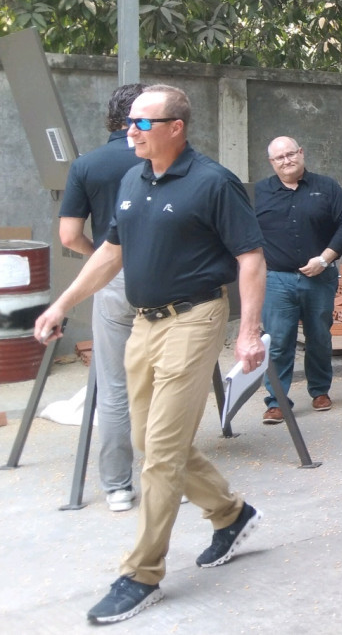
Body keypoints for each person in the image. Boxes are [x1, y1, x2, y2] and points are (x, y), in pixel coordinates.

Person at [34, 84, 266, 625]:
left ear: (175, 128)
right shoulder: (133, 180)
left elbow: (251, 257)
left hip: (195, 317)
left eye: (142, 123)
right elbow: (109, 253)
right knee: (147, 440)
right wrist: (63, 303)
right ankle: (230, 513)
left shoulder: (212, 182)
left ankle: (141, 574)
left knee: (160, 452)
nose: (130, 131)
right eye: (129, 123)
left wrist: (250, 332)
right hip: (144, 323)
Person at [56, 83, 144, 512]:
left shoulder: (87, 165)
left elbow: (68, 235)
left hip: (114, 283)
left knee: (113, 386)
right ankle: (175, 479)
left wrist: (102, 259)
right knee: (168, 382)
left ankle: (118, 487)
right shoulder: (167, 158)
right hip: (168, 280)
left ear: (111, 117)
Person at [256, 136, 342, 423]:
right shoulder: (260, 192)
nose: (286, 161)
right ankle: (277, 401)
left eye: (291, 154)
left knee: (319, 337)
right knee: (278, 342)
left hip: (320, 277)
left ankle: (320, 390)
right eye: (279, 157)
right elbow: (244, 231)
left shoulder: (326, 187)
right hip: (276, 280)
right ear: (271, 162)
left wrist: (325, 259)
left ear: (301, 153)